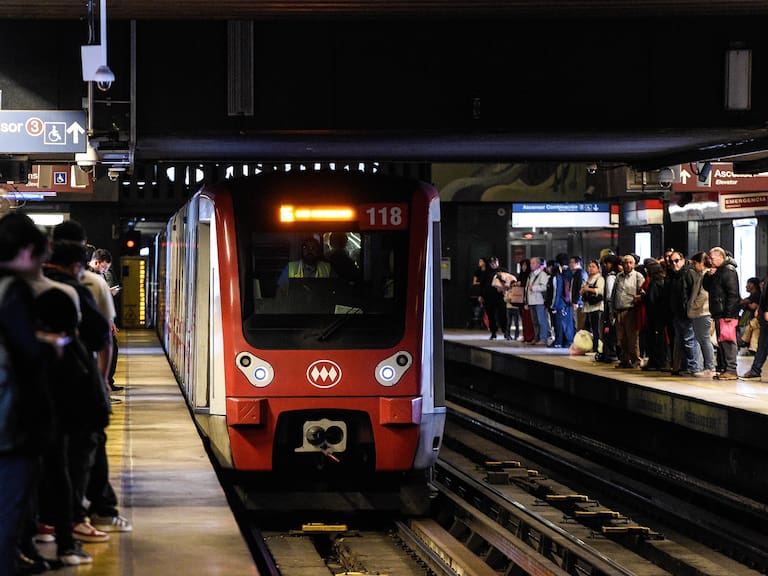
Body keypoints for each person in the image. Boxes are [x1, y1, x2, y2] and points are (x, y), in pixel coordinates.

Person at [0, 213, 55, 576]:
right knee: (10, 504)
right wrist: (54, 345)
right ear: (27, 251)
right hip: (9, 423)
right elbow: (28, 352)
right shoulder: (13, 290)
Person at [703, 246, 740, 380]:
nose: (710, 261)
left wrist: (729, 314)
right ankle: (724, 368)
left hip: (726, 313)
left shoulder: (728, 271)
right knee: (721, 341)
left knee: (728, 341)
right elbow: (707, 287)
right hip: (719, 312)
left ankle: (731, 370)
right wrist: (709, 275)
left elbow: (733, 294)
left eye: (712, 258)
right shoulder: (718, 271)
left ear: (721, 257)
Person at [89, 248, 122, 393]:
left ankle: (106, 381)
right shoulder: (92, 278)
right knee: (107, 350)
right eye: (104, 267)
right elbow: (97, 301)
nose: (105, 270)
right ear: (96, 262)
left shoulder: (95, 276)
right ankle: (105, 382)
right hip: (96, 323)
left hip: (101, 321)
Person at [611, 254, 645, 368]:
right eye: (625, 262)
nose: (627, 265)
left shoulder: (638, 276)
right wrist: (612, 310)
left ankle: (635, 360)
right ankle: (624, 360)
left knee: (632, 338)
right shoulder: (619, 276)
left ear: (634, 264)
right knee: (621, 338)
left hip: (631, 311)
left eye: (630, 262)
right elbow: (614, 294)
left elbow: (642, 292)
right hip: (618, 310)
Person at [667, 251, 698, 376]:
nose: (674, 264)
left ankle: (693, 367)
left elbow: (692, 294)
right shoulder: (675, 276)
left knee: (689, 342)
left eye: (677, 261)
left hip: (687, 314)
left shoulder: (688, 274)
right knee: (680, 342)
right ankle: (685, 366)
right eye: (672, 262)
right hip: (678, 313)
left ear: (683, 260)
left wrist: (690, 310)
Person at [688, 251, 716, 378]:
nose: (693, 266)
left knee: (705, 339)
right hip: (698, 313)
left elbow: (703, 294)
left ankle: (710, 367)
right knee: (701, 339)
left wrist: (693, 306)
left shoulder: (706, 275)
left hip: (703, 312)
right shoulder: (701, 275)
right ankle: (706, 366)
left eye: (695, 263)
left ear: (701, 263)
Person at [740, 276, 768, 380]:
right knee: (762, 345)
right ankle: (755, 370)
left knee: (762, 344)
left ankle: (755, 370)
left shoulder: (756, 295)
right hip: (762, 317)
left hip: (763, 316)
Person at [478, 256, 508, 340]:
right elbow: (482, 285)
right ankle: (493, 332)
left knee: (503, 314)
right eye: (492, 263)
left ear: (498, 262)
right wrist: (481, 295)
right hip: (489, 297)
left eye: (495, 263)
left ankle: (505, 332)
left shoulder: (503, 271)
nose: (493, 264)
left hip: (501, 297)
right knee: (491, 315)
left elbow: (509, 282)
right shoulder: (486, 272)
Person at [580, 259, 604, 353]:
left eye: (593, 266)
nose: (591, 268)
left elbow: (600, 291)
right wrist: (583, 291)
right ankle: (587, 346)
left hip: (596, 306)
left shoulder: (600, 278)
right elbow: (583, 289)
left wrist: (588, 289)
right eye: (590, 266)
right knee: (587, 329)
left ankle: (595, 347)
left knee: (595, 329)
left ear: (598, 268)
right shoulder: (588, 278)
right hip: (587, 306)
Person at [526, 257, 549, 346]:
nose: (531, 265)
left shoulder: (542, 274)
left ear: (538, 264)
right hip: (532, 301)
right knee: (534, 321)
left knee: (541, 321)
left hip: (539, 301)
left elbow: (544, 287)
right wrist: (526, 302)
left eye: (533, 263)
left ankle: (543, 338)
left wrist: (534, 288)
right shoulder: (531, 275)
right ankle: (537, 337)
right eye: (531, 263)